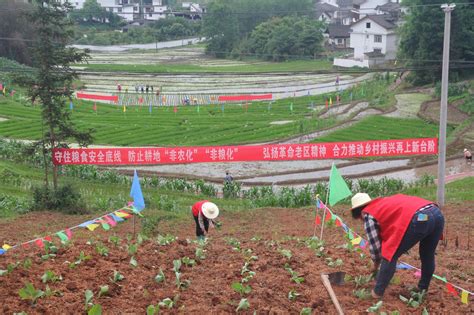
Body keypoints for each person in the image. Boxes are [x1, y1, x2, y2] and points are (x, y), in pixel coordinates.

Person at [350, 193, 444, 299]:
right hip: (435, 214)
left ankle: (377, 293)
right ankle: (422, 289)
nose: (362, 221)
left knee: (390, 253)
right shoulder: (382, 203)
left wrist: (376, 265)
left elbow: (376, 248)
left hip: (421, 218)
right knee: (428, 255)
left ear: (359, 213)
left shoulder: (369, 215)